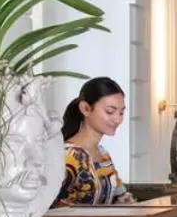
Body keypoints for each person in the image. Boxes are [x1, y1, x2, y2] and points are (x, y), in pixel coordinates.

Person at [52, 76, 136, 207]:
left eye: (121, 113)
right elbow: (50, 208)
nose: (117, 119)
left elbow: (121, 195)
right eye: (110, 112)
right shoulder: (67, 156)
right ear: (85, 108)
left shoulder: (103, 154)